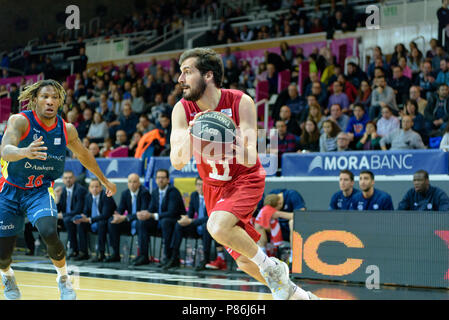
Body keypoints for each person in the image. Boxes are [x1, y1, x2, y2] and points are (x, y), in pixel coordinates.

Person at [170, 48, 317, 300]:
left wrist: (228, 138)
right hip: (214, 188)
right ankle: (301, 297)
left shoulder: (241, 101)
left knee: (216, 226)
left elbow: (251, 156)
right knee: (246, 262)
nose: (180, 79)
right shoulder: (182, 110)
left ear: (208, 75)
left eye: (187, 72)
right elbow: (178, 161)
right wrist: (193, 134)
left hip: (245, 179)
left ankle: (272, 267)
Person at [0, 79, 116, 300]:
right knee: (3, 255)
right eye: (45, 96)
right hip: (10, 190)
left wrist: (103, 179)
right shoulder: (20, 121)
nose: (50, 101)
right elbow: (5, 150)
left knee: (49, 231)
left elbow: (83, 154)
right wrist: (25, 152)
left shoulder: (66, 129)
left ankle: (63, 279)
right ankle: (7, 276)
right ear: (34, 100)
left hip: (40, 190)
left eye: (55, 97)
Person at [164, 176, 213, 271]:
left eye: (203, 185)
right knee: (179, 225)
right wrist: (185, 219)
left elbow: (211, 217)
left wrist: (192, 221)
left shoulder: (211, 196)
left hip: (209, 226)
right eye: (198, 185)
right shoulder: (194, 195)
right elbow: (190, 214)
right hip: (196, 226)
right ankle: (174, 257)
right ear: (195, 186)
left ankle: (205, 260)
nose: (200, 187)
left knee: (205, 226)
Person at [143, 169, 185, 268]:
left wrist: (153, 215)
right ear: (155, 180)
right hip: (161, 221)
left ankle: (169, 257)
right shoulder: (155, 192)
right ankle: (143, 255)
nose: (160, 180)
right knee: (142, 223)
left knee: (166, 222)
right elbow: (151, 209)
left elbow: (172, 212)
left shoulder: (173, 191)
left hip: (175, 220)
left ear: (168, 180)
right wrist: (145, 214)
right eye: (158, 178)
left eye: (163, 178)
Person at [109, 173, 152, 264]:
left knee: (140, 223)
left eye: (134, 182)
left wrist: (124, 217)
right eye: (130, 182)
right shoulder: (125, 193)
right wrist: (117, 215)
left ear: (139, 183)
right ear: (127, 184)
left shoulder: (144, 193)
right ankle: (115, 253)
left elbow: (142, 214)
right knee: (112, 222)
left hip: (142, 221)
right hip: (130, 221)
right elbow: (120, 209)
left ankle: (143, 256)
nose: (132, 184)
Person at [72, 178, 117, 262]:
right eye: (92, 187)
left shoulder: (106, 196)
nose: (94, 189)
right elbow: (85, 211)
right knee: (81, 224)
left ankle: (101, 253)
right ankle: (83, 252)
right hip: (92, 221)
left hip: (106, 222)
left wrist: (89, 219)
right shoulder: (88, 197)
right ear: (89, 188)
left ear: (101, 188)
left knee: (101, 223)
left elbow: (105, 215)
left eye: (96, 186)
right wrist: (82, 217)